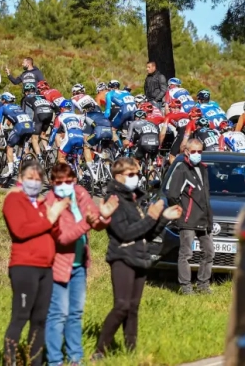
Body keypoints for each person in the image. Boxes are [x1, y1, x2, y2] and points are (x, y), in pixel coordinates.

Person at [93, 158, 183, 360]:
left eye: (137, 174)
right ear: (118, 177)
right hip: (122, 256)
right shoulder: (113, 199)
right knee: (122, 305)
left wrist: (163, 219)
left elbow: (146, 234)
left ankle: (130, 352)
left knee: (133, 308)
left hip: (140, 256)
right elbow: (125, 233)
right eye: (130, 174)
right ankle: (100, 350)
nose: (136, 178)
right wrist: (151, 217)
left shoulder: (135, 200)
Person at [44, 163, 118, 366]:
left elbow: (96, 223)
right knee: (58, 314)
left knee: (75, 313)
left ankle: (75, 358)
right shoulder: (50, 202)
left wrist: (103, 216)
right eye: (60, 182)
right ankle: (54, 360)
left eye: (69, 181)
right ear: (52, 183)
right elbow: (63, 238)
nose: (65, 185)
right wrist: (86, 222)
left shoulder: (81, 193)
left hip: (79, 264)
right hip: (58, 265)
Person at [2, 161, 70, 366]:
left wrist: (57, 217)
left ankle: (35, 361)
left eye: (38, 179)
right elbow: (20, 230)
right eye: (29, 178)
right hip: (24, 266)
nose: (34, 183)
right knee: (20, 316)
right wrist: (50, 218)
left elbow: (55, 234)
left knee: (40, 320)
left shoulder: (42, 204)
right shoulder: (14, 199)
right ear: (21, 179)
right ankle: (9, 360)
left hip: (45, 268)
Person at [166, 139, 214, 295]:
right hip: (188, 220)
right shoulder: (181, 169)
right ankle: (185, 286)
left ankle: (203, 284)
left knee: (209, 252)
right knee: (186, 254)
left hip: (204, 219)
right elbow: (172, 195)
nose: (197, 154)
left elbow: (205, 196)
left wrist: (209, 218)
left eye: (199, 151)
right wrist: (182, 210)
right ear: (186, 151)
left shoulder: (204, 169)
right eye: (193, 151)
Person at [0, 92, 36, 179]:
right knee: (23, 145)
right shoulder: (17, 106)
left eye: (2, 99)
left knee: (9, 147)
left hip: (20, 127)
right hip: (30, 126)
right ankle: (27, 160)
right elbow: (10, 119)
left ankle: (10, 170)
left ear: (4, 100)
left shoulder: (2, 107)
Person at [21, 83, 55, 160]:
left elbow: (24, 112)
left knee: (34, 138)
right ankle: (47, 151)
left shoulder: (26, 98)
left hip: (39, 113)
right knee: (43, 134)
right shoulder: (42, 96)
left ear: (26, 92)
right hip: (49, 113)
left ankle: (39, 157)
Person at [49, 100, 86, 164]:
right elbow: (82, 127)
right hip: (80, 137)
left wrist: (49, 145)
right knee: (77, 162)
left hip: (70, 137)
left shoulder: (60, 116)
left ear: (62, 108)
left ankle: (69, 171)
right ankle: (79, 173)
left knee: (60, 158)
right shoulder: (76, 116)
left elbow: (54, 131)